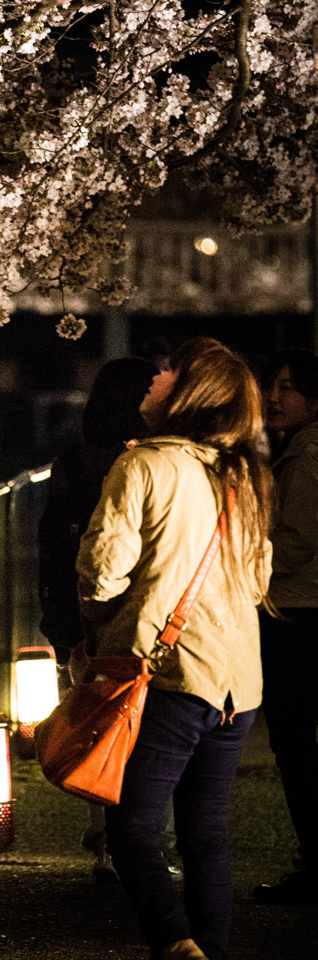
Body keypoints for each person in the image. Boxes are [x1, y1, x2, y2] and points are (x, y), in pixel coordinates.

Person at [76, 337, 273, 960]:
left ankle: (174, 941)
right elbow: (260, 578)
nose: (154, 381)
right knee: (204, 834)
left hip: (167, 673)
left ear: (187, 393)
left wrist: (109, 617)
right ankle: (205, 947)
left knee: (131, 826)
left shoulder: (142, 467)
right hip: (237, 685)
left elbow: (102, 573)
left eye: (167, 374)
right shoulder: (247, 475)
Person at [37, 355, 159, 882]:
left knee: (96, 732)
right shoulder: (149, 465)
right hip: (139, 620)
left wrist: (63, 623)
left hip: (81, 621)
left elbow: (52, 550)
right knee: (148, 735)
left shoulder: (73, 464)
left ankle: (105, 845)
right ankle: (148, 847)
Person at [252, 348, 318, 906]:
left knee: (296, 745)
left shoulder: (305, 456)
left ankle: (314, 863)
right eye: (272, 386)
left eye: (287, 388)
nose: (274, 398)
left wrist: (251, 573)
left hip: (298, 612)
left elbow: (296, 542)